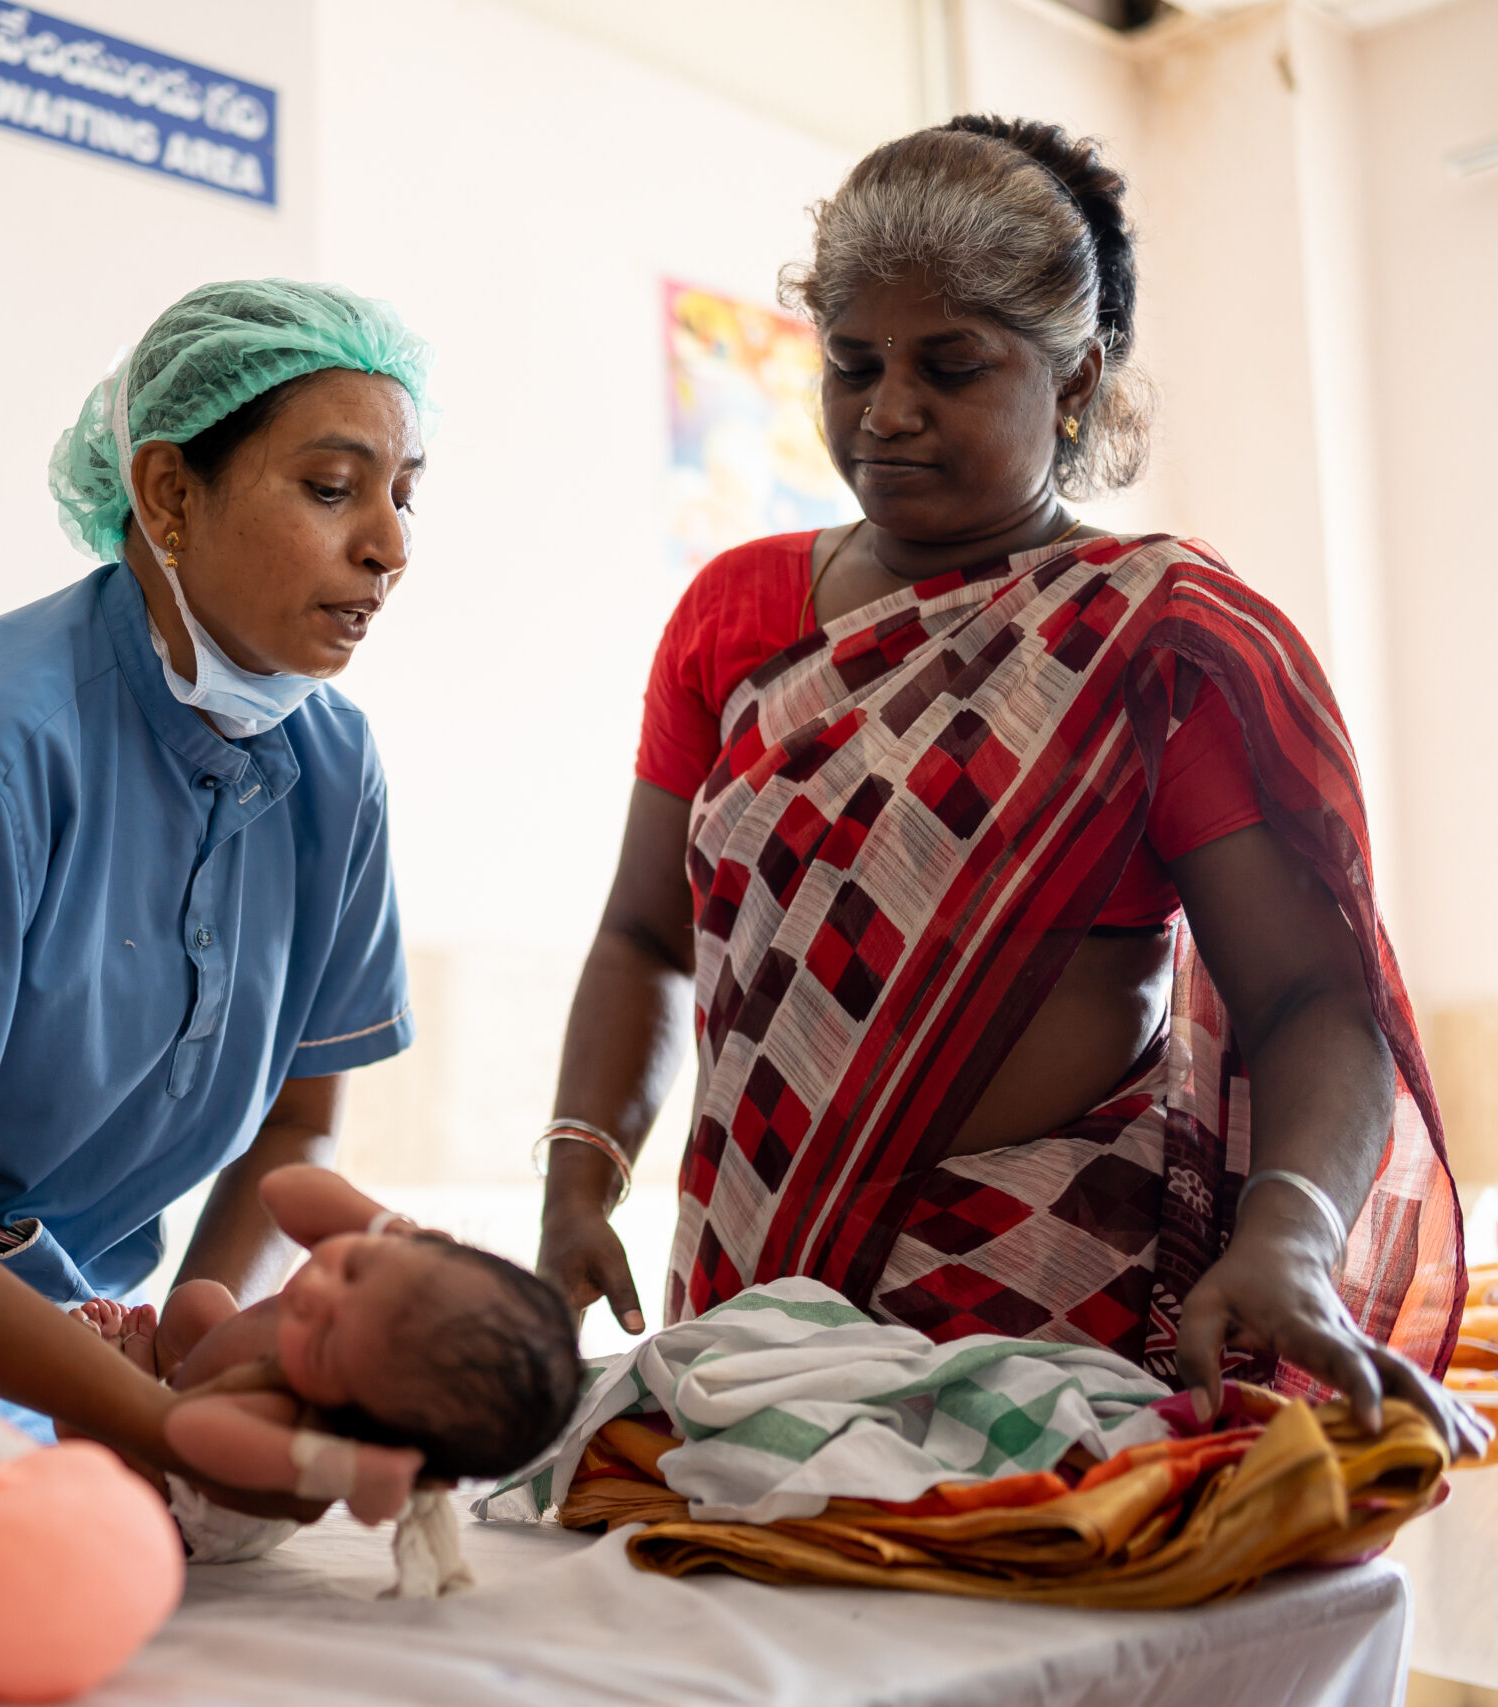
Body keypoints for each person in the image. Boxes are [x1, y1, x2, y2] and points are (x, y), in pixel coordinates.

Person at [536, 116, 1485, 1456]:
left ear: (1078, 375)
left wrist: (1294, 1236)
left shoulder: (1165, 645)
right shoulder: (733, 615)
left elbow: (1312, 995)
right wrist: (581, 1171)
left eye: (950, 364)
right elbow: (645, 935)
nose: (887, 409)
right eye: (853, 363)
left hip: (1048, 1326)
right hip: (751, 1313)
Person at [0, 280, 429, 1498]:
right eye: (334, 490)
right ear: (169, 494)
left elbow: (294, 1125)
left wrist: (202, 1356)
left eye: (403, 493)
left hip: (53, 1399)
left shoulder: (331, 769)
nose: (389, 545)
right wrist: (159, 1427)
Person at [74, 1164, 582, 1542]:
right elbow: (281, 1189)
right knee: (199, 1302)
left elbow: (185, 1429)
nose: (313, 1291)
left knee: (82, 1404)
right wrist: (392, 1231)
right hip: (207, 1401)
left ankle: (131, 1373)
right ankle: (160, 1369)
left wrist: (342, 1470)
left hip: (183, 1488)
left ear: (356, 1423)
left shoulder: (293, 1417)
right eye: (355, 1268)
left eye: (324, 1340)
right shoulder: (382, 1296)